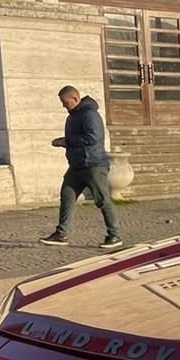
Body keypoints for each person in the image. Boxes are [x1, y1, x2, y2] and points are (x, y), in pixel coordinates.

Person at [39, 86, 122, 249]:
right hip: (76, 165)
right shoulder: (72, 117)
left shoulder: (90, 115)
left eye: (65, 102)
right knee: (67, 196)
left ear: (75, 99)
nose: (63, 105)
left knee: (102, 200)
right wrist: (64, 142)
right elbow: (76, 138)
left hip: (93, 165)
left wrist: (67, 141)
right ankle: (61, 234)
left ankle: (114, 235)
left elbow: (93, 137)